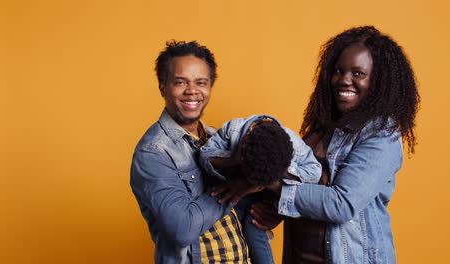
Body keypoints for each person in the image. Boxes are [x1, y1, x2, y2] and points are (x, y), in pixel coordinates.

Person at [214, 26, 420, 264]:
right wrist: (275, 209)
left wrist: (268, 182)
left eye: (358, 73)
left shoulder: (381, 135)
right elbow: (303, 183)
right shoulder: (322, 130)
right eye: (339, 71)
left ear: (378, 81)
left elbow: (341, 204)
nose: (344, 80)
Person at [130, 40, 260, 263]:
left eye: (201, 82)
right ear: (163, 87)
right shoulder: (153, 152)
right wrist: (236, 187)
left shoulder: (216, 138)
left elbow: (248, 202)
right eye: (180, 82)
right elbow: (183, 228)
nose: (192, 91)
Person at [199, 115, 321, 264]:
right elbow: (205, 155)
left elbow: (314, 172)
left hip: (264, 199)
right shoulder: (233, 131)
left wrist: (280, 170)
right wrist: (233, 159)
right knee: (210, 217)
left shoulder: (294, 145)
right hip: (230, 189)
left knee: (254, 232)